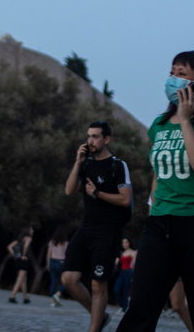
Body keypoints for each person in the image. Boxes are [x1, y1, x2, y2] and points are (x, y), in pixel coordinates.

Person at [117, 50, 194, 332]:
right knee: (140, 310)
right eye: (172, 72)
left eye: (181, 73)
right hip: (160, 225)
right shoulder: (158, 125)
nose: (172, 79)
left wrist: (185, 120)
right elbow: (159, 172)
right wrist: (153, 209)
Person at [62, 120, 133, 332]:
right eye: (88, 136)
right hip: (86, 229)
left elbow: (126, 200)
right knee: (69, 279)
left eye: (95, 136)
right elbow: (69, 190)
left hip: (108, 231)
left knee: (97, 284)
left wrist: (97, 193)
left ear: (106, 139)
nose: (90, 140)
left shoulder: (118, 165)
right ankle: (100, 317)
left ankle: (94, 329)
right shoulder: (86, 165)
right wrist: (77, 162)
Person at [7, 226, 34, 304]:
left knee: (23, 280)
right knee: (20, 279)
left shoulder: (20, 239)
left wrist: (15, 255)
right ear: (28, 231)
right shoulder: (28, 238)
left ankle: (25, 298)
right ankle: (12, 296)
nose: (33, 231)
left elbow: (9, 247)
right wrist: (23, 255)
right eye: (32, 229)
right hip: (24, 261)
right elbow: (26, 246)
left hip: (18, 261)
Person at [114, 237, 137, 315]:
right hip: (122, 272)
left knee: (125, 291)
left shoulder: (133, 252)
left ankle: (124, 309)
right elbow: (119, 262)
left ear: (129, 243)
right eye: (123, 242)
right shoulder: (122, 253)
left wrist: (134, 275)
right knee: (116, 290)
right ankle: (121, 306)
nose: (124, 244)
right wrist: (117, 260)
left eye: (126, 242)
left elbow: (134, 265)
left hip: (129, 272)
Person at [47, 226, 69, 307]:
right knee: (66, 281)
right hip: (61, 262)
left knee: (53, 281)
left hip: (52, 261)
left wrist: (48, 263)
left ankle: (53, 300)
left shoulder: (52, 242)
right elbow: (67, 255)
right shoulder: (66, 243)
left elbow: (48, 254)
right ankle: (58, 294)